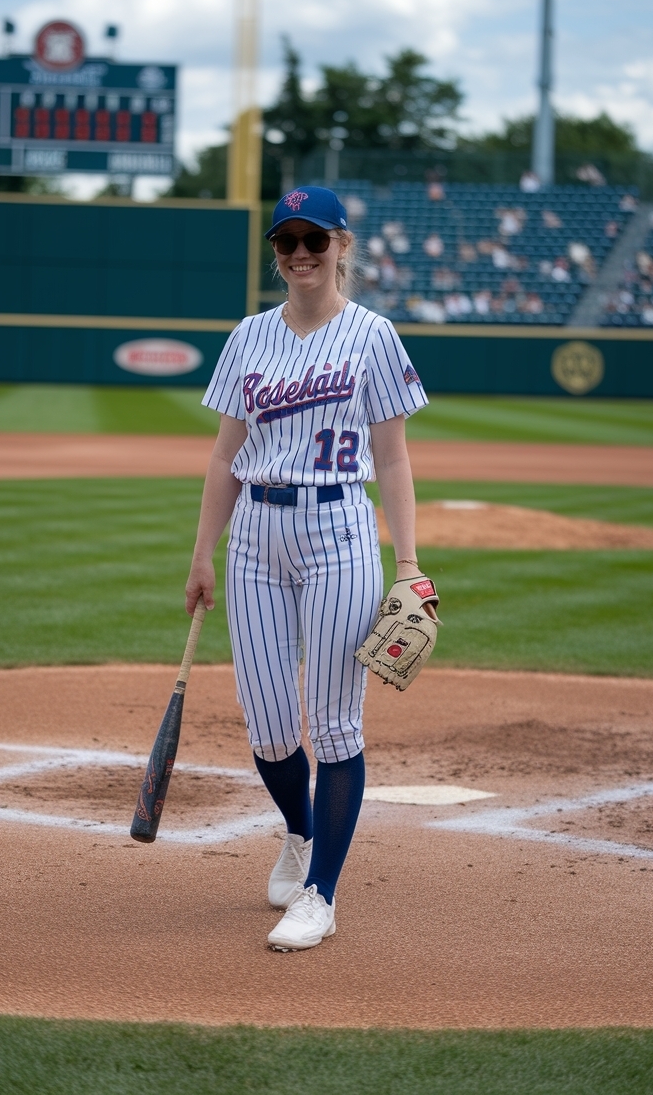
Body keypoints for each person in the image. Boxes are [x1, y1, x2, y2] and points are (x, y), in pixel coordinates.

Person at [185, 186, 435, 951]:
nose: (299, 253)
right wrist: (202, 551)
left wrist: (410, 565)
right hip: (256, 533)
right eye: (286, 241)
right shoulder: (249, 336)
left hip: (339, 529)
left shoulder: (373, 335)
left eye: (314, 240)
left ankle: (321, 893)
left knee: (333, 725)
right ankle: (301, 833)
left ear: (342, 246)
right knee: (266, 727)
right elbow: (227, 454)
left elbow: (391, 458)